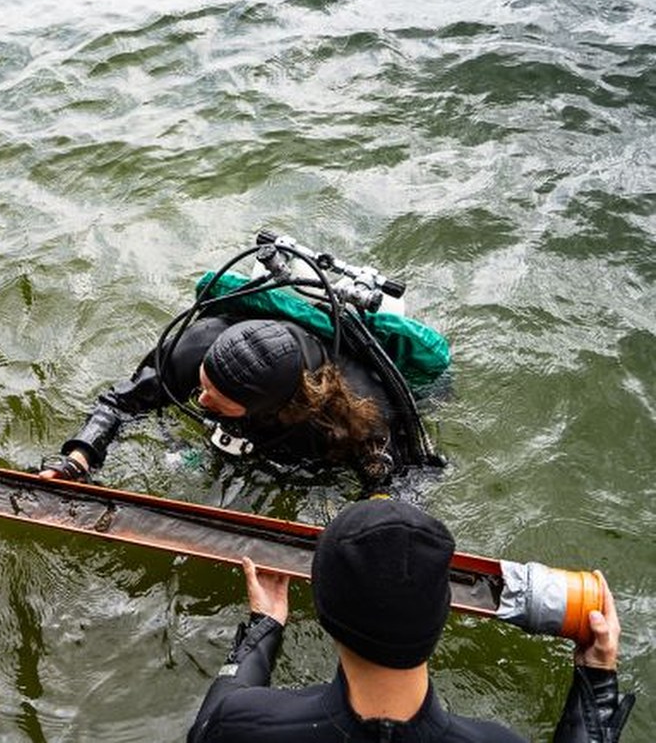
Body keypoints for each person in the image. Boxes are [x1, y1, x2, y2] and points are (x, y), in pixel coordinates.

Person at [187, 499, 634, 742]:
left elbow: (211, 722)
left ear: (322, 610)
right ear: (443, 612)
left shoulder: (244, 723)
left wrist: (264, 626)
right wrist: (597, 679)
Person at [43, 314, 434, 486]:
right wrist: (80, 457)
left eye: (218, 397)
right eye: (203, 383)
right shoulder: (195, 345)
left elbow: (395, 482)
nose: (200, 398)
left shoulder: (348, 416)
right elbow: (121, 402)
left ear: (270, 407)